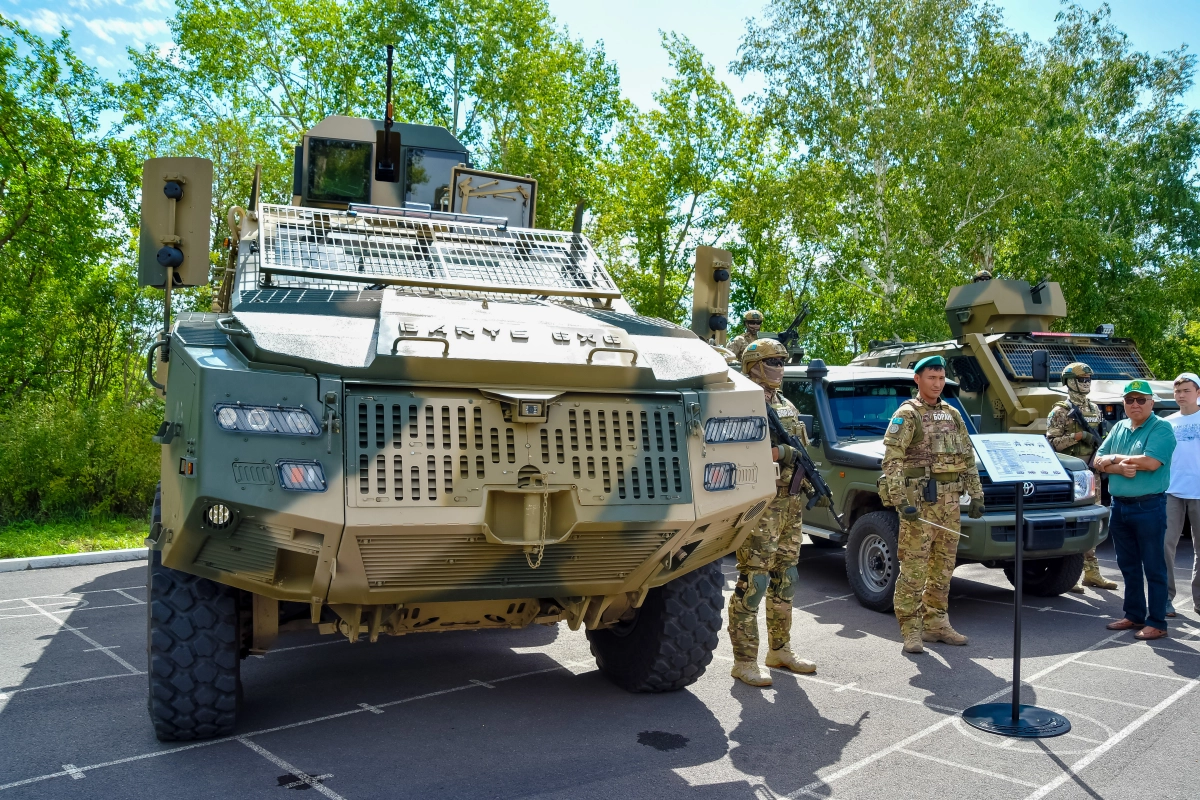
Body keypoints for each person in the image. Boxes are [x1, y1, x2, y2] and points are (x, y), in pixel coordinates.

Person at [879, 355, 985, 654]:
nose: (937, 384)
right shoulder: (907, 415)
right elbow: (892, 461)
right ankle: (911, 630)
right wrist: (901, 502)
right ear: (918, 380)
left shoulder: (952, 413)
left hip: (950, 505)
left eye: (941, 379)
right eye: (931, 378)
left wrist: (976, 495)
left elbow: (967, 457)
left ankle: (937, 625)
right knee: (914, 571)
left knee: (943, 569)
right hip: (920, 508)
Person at [728, 338, 817, 686]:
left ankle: (779, 650)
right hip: (760, 502)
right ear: (754, 366)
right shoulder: (741, 403)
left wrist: (807, 481)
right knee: (755, 580)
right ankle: (744, 660)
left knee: (787, 577)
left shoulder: (786, 406)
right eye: (773, 362)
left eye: (783, 362)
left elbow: (803, 452)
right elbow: (734, 452)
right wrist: (780, 454)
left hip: (789, 503)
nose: (781, 367)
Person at [1094, 380, 1177, 640]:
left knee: (1154, 566)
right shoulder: (1119, 427)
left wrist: (1115, 459)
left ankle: (1157, 622)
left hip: (1149, 506)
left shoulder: (1161, 427)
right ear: (1124, 404)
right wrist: (1117, 468)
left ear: (1152, 403)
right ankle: (1134, 615)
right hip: (1119, 507)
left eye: (1141, 399)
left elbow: (1151, 462)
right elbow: (1097, 459)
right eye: (1130, 400)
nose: (1135, 404)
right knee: (1128, 565)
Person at [1045, 362, 1118, 593]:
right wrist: (1079, 435)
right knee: (1070, 523)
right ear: (1069, 381)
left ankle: (1092, 571)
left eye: (1088, 379)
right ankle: (1070, 572)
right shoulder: (1060, 411)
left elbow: (1101, 439)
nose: (1086, 383)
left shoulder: (1095, 409)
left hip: (1090, 473)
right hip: (1068, 475)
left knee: (1091, 522)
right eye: (1081, 379)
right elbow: (1051, 443)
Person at [1164, 372, 1200, 616]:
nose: (1181, 395)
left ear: (1198, 392)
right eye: (1178, 391)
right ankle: (1164, 599)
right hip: (1171, 492)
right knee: (1164, 546)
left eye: (1186, 390)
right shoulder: (1166, 423)